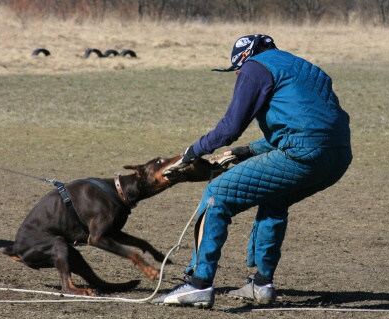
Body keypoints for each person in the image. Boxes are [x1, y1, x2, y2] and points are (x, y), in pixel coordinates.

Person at [151, 34, 352, 309]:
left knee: (216, 195)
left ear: (245, 57)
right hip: (338, 157)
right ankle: (261, 284)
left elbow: (230, 127)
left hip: (302, 154)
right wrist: (248, 151)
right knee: (275, 200)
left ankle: (198, 285)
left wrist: (193, 151)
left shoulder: (255, 67)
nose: (238, 74)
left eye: (237, 69)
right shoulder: (301, 66)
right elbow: (311, 124)